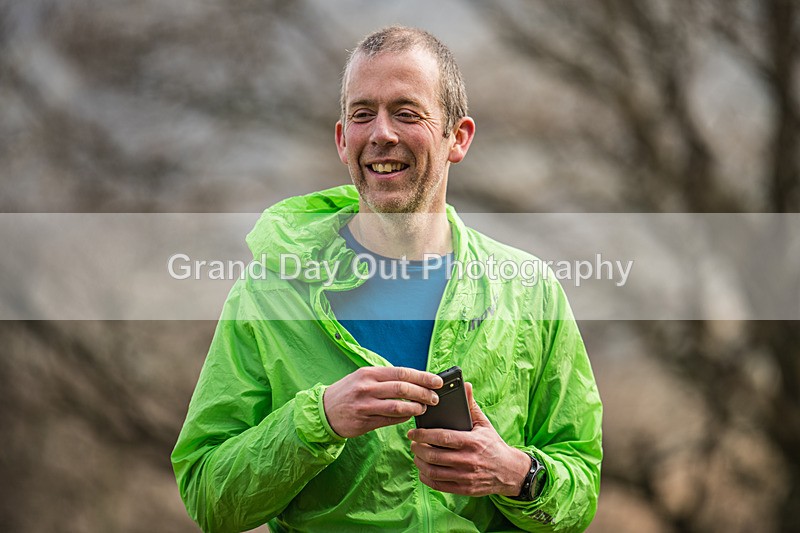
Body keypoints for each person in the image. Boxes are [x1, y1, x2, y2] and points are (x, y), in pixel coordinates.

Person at [172, 25, 602, 532]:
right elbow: (208, 497)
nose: (381, 133)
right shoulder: (271, 292)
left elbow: (582, 485)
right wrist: (319, 421)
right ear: (341, 139)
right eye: (362, 114)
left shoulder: (529, 290)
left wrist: (514, 473)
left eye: (406, 112)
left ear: (457, 138)